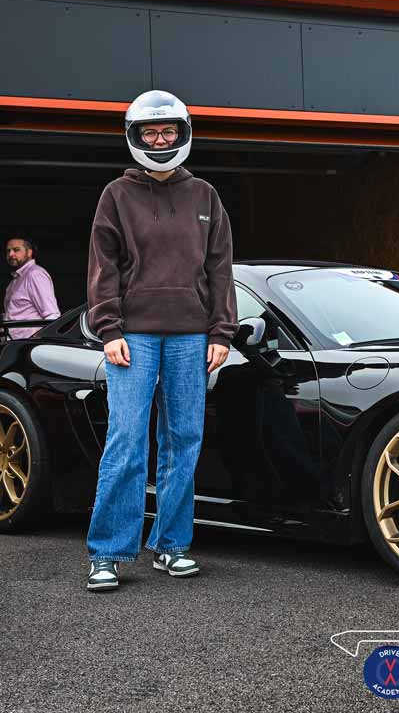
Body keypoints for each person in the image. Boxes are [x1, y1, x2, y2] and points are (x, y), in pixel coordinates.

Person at [85, 90, 238, 592]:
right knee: (126, 440)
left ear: (183, 132)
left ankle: (172, 545)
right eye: (149, 133)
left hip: (192, 336)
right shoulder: (116, 195)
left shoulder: (205, 196)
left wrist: (221, 331)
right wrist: (107, 328)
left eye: (167, 131)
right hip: (133, 336)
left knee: (183, 442)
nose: (158, 139)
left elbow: (220, 269)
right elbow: (103, 268)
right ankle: (107, 552)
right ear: (134, 137)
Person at [3, 236, 60, 339]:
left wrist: (39, 343)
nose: (10, 254)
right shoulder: (16, 279)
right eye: (8, 251)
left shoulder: (35, 274)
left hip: (28, 346)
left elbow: (52, 316)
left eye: (16, 250)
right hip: (14, 344)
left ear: (29, 253)